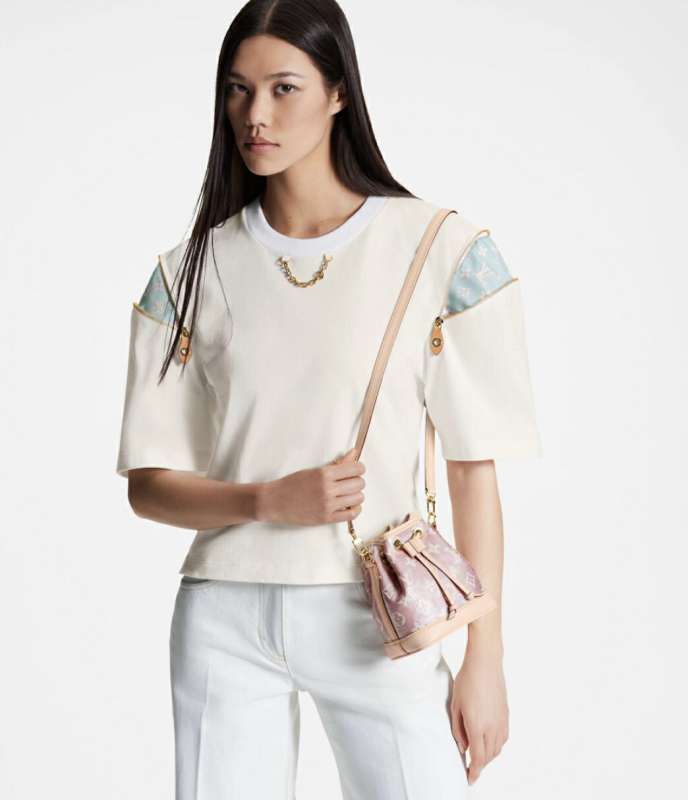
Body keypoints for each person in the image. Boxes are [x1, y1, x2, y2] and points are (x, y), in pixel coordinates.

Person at [115, 1, 542, 797]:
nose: (256, 116)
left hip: (378, 616)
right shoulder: (188, 272)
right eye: (238, 90)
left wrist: (485, 660)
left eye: (284, 88)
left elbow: (472, 469)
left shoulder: (438, 250)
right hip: (222, 615)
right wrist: (266, 501)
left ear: (339, 91)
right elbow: (148, 485)